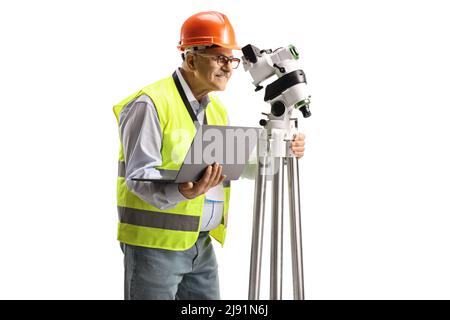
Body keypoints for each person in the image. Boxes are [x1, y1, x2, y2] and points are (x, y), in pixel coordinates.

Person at [112, 11, 306, 300]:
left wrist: (280, 149)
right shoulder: (150, 104)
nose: (229, 68)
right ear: (191, 59)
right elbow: (138, 179)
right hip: (155, 248)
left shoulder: (217, 111)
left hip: (200, 247)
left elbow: (234, 169)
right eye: (220, 58)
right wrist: (183, 191)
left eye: (232, 60)